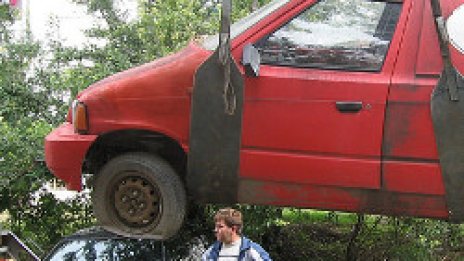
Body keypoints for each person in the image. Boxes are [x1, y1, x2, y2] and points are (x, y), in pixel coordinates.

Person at [202, 208, 272, 261]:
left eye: (220, 227)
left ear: (233, 229)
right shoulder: (211, 252)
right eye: (216, 227)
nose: (216, 230)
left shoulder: (251, 251)